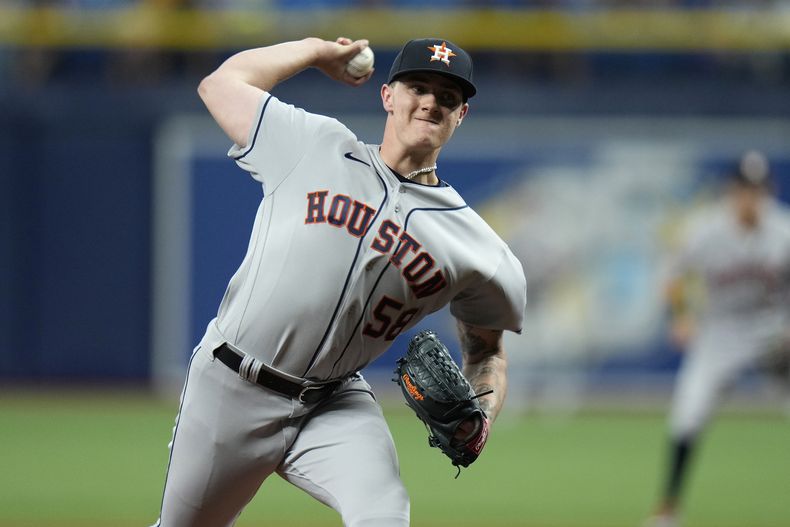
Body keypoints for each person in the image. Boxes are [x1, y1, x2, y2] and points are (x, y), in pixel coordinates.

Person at [150, 36, 527, 527]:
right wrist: (314, 50)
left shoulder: (480, 249)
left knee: (385, 513)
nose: (432, 101)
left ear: (461, 116)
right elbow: (221, 85)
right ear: (388, 95)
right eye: (418, 86)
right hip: (231, 386)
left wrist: (482, 421)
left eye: (449, 96)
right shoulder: (314, 145)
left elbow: (487, 353)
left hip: (333, 402)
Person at [643, 150, 790, 527]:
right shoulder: (705, 229)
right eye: (744, 189)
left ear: (768, 191)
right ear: (731, 191)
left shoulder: (783, 230)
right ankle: (668, 508)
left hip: (771, 327)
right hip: (720, 330)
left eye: (757, 189)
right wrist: (680, 316)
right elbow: (672, 276)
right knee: (687, 414)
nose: (750, 197)